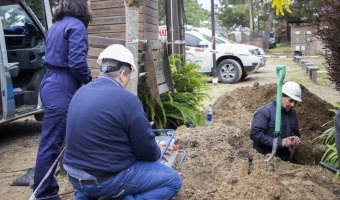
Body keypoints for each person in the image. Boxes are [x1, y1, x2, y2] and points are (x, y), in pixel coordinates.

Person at [63, 44, 182, 200]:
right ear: (123, 74)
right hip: (105, 180)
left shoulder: (81, 92)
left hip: (75, 178)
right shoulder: (127, 100)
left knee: (94, 179)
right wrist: (157, 150)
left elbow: (100, 132)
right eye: (129, 77)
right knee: (173, 181)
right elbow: (146, 152)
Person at [33, 0, 93, 199]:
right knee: (51, 143)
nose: (90, 6)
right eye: (89, 3)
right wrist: (90, 81)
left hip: (49, 81)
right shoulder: (77, 26)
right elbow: (76, 63)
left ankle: (47, 189)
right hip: (63, 85)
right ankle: (44, 194)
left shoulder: (56, 26)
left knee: (52, 141)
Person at [250, 81, 302, 161]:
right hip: (263, 159)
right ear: (281, 96)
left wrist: (295, 138)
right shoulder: (264, 112)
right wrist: (279, 142)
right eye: (290, 100)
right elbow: (255, 134)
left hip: (284, 161)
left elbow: (295, 133)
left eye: (295, 102)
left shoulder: (293, 114)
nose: (293, 105)